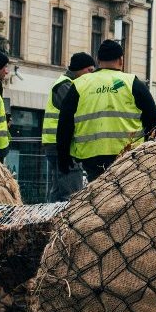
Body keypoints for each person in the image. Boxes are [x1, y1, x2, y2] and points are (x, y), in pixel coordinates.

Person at [55, 39, 156, 182]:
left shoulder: (80, 84)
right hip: (128, 155)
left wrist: (63, 155)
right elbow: (152, 120)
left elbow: (65, 123)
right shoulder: (132, 83)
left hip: (91, 156)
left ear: (98, 60)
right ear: (121, 60)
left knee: (98, 195)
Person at [43, 52, 95, 201]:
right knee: (72, 195)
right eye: (89, 70)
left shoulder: (65, 83)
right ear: (78, 69)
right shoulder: (67, 86)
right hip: (64, 146)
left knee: (59, 191)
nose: (91, 75)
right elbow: (77, 112)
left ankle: (49, 221)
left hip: (55, 144)